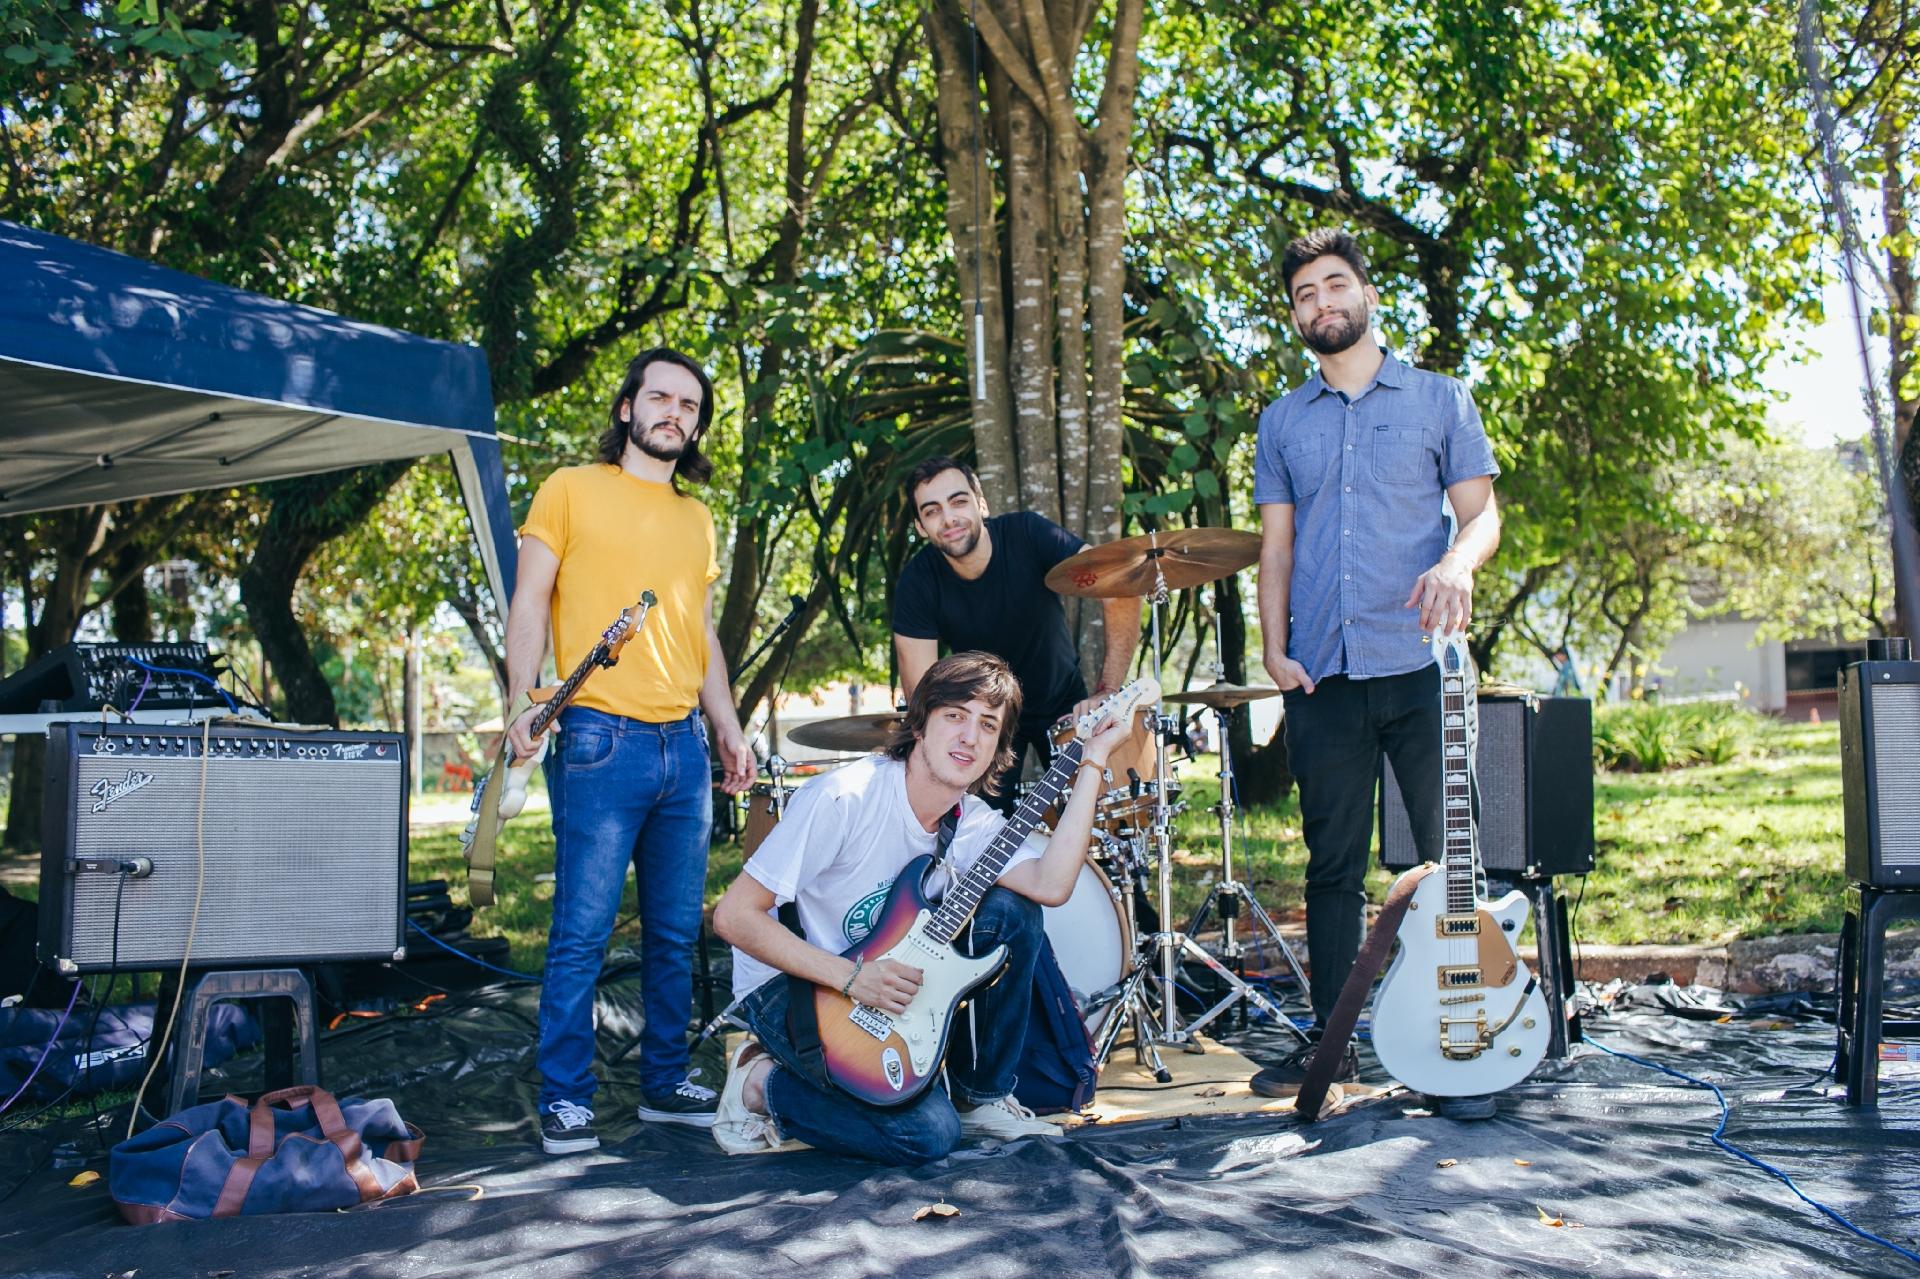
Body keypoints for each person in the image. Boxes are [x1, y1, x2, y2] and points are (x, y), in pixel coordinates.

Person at [1251, 229, 1502, 1116]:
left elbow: (1482, 516)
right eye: (1304, 294)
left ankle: (1463, 1037)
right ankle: (1334, 1043)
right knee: (1331, 869)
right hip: (1323, 675)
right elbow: (1276, 547)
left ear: (1366, 292)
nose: (1321, 303)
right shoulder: (1282, 422)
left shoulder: (1440, 399)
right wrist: (1273, 648)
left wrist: (1458, 563)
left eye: (1334, 284)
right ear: (1295, 316)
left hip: (1421, 667)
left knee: (1451, 863)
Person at [708, 651, 1129, 1164]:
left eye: (988, 725)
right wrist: (851, 977)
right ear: (921, 723)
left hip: (880, 983)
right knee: (926, 1135)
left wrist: (1093, 759)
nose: (969, 737)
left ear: (1000, 745)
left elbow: (1052, 883)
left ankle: (981, 1098)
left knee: (1015, 912)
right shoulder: (844, 799)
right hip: (793, 981)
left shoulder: (971, 821)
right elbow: (734, 917)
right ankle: (759, 1083)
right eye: (955, 715)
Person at [505, 346, 756, 1155]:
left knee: (676, 931)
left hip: (683, 744)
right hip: (596, 738)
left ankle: (664, 1080)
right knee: (582, 930)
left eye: (689, 405)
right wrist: (522, 697)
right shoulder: (569, 488)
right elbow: (529, 599)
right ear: (627, 407)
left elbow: (701, 633)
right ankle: (566, 1095)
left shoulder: (697, 518)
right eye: (661, 397)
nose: (674, 413)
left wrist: (727, 724)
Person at [891, 457, 1141, 812]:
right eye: (932, 511)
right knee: (980, 828)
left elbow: (1119, 587)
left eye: (958, 502)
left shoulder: (1027, 533)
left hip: (1062, 699)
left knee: (1097, 815)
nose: (948, 518)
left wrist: (1109, 690)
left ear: (981, 505)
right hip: (984, 714)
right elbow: (922, 695)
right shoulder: (918, 582)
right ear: (920, 527)